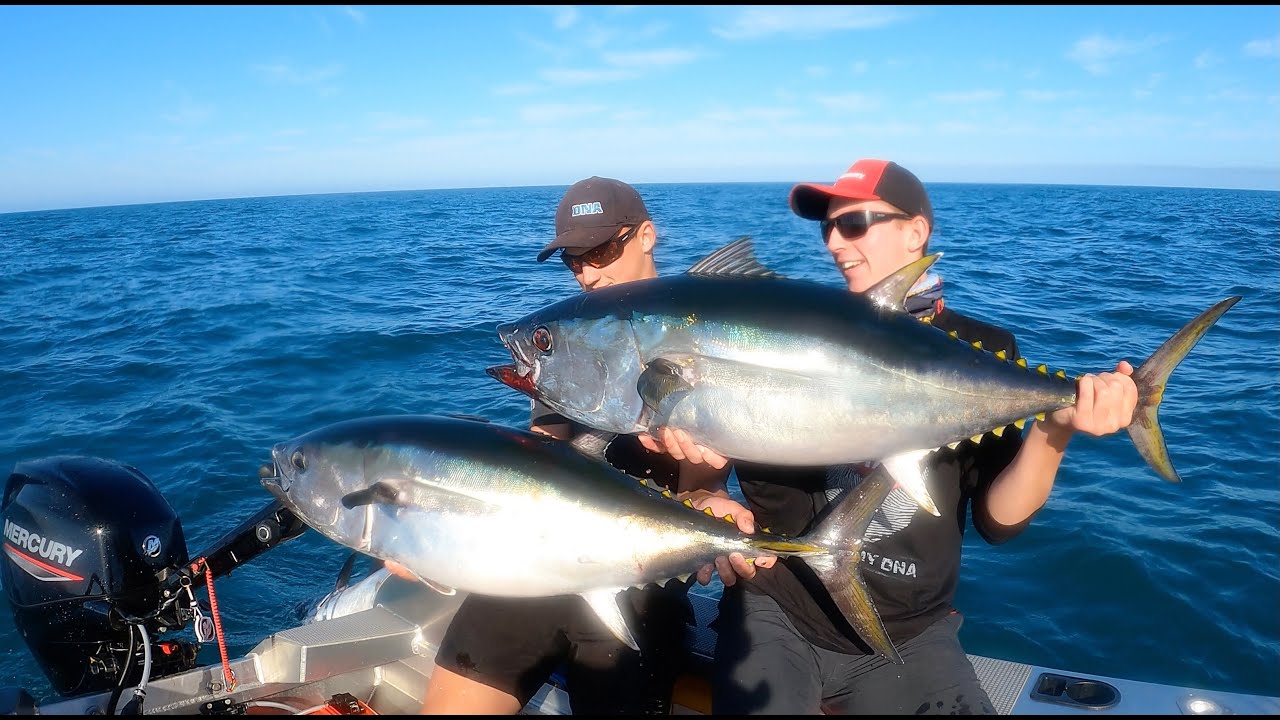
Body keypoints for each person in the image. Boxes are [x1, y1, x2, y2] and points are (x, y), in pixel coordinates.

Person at [641, 158, 1140, 715]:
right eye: (827, 226)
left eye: (854, 224)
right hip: (774, 606)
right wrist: (708, 496)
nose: (834, 241)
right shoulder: (788, 331)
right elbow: (707, 470)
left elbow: (998, 522)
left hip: (907, 631)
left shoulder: (981, 348)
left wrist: (1055, 426)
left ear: (916, 232)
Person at [389, 176, 722, 715]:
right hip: (534, 573)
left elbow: (706, 489)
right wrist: (428, 537)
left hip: (636, 581)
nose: (587, 272)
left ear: (645, 236)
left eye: (601, 251)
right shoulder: (565, 344)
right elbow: (535, 469)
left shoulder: (704, 334)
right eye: (573, 259)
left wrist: (705, 497)